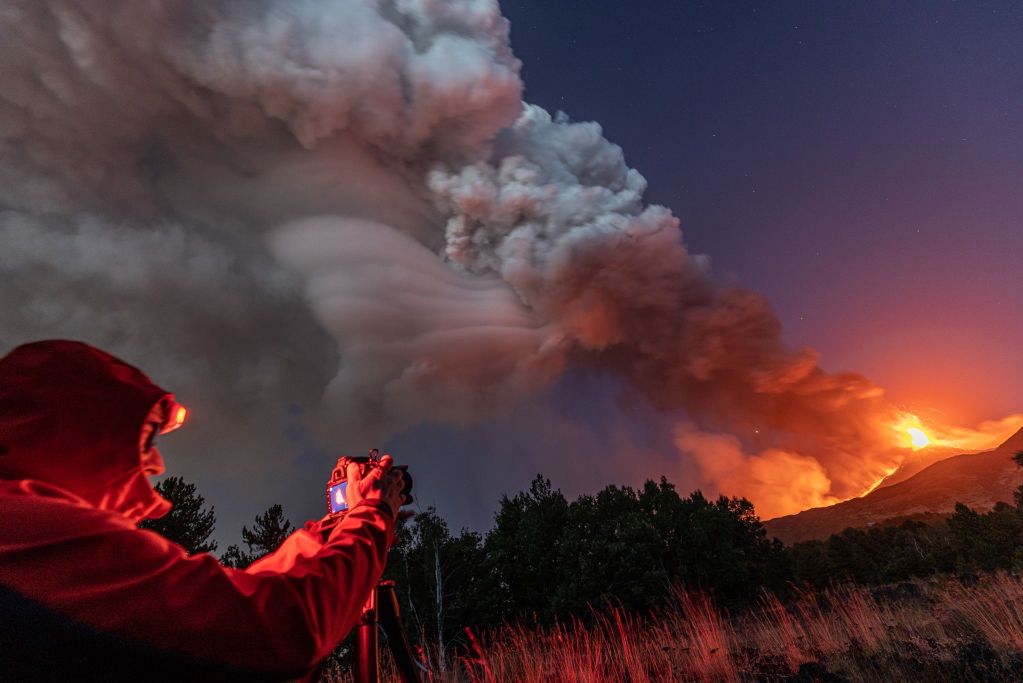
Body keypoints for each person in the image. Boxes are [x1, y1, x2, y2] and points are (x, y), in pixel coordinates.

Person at [0, 340, 408, 681]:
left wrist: (327, 533)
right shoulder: (42, 535)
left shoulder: (32, 536)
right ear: (80, 433)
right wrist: (373, 512)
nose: (156, 465)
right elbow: (280, 632)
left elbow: (215, 611)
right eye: (143, 440)